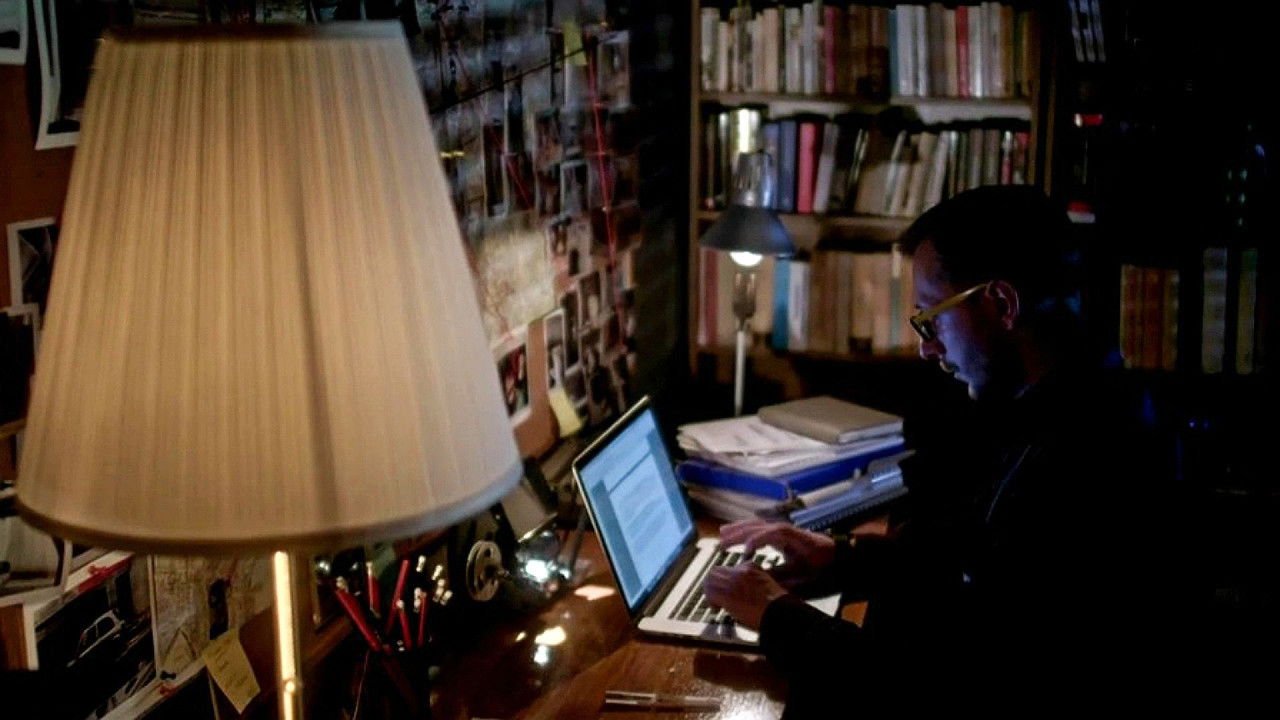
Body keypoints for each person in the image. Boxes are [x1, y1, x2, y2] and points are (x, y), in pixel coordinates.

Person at [703, 186, 1192, 711]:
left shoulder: (1088, 459)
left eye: (930, 318)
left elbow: (936, 683)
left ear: (1001, 303)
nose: (926, 347)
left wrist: (775, 615)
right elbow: (970, 555)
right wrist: (841, 557)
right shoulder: (1064, 400)